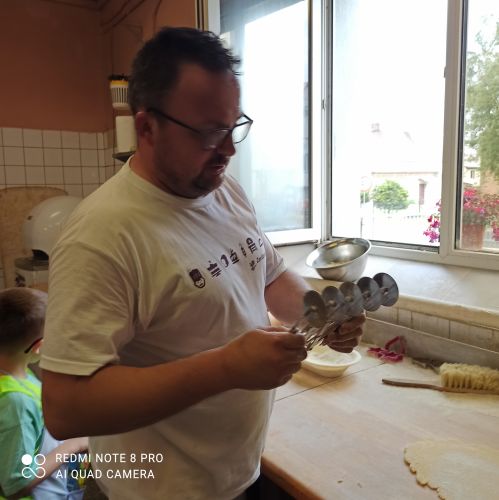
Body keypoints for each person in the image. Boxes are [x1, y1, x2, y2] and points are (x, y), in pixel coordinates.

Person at [40, 27, 364, 500]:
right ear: (147, 128)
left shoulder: (223, 189)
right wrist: (226, 368)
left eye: (234, 126)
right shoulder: (101, 235)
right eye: (210, 132)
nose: (229, 149)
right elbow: (66, 408)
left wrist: (321, 315)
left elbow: (269, 273)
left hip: (235, 474)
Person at [0, 287, 88, 500]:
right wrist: (74, 445)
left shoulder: (15, 374)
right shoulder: (16, 402)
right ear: (39, 346)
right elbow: (17, 484)